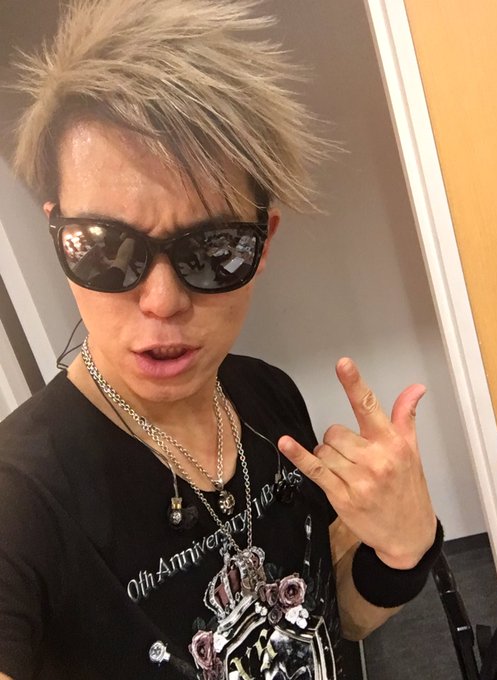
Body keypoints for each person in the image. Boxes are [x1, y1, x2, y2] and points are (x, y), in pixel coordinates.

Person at [0, 1, 442, 678]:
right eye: (106, 248)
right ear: (58, 234)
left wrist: (402, 551)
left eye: (212, 249)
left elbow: (335, 618)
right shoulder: (22, 499)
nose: (162, 301)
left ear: (263, 244)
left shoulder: (268, 397)